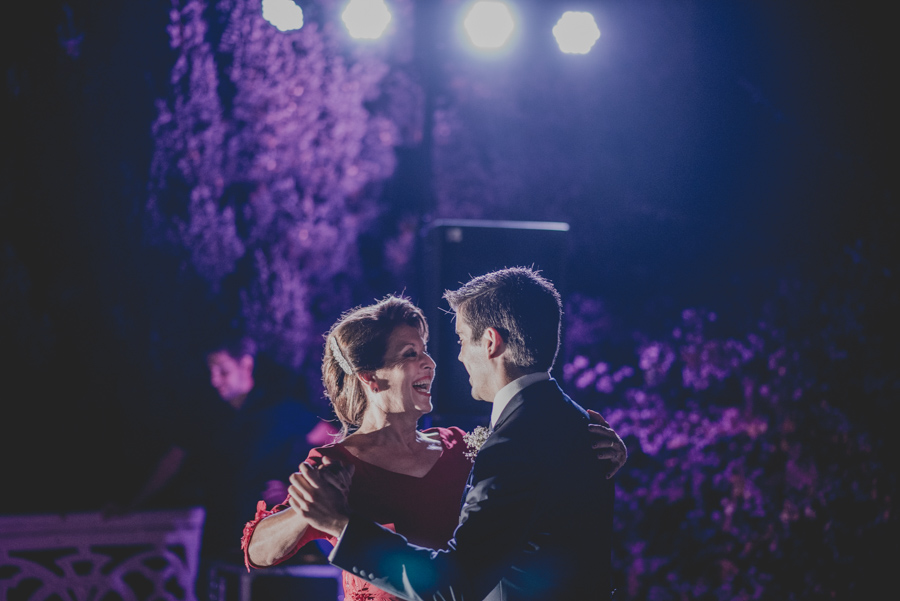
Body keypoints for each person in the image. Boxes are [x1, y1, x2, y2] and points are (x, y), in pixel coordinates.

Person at [242, 288, 625, 601]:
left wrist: (596, 451)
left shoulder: (461, 446)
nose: (432, 362)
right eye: (411, 354)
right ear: (371, 379)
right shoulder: (339, 466)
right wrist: (310, 511)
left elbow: (531, 473)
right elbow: (256, 551)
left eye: (425, 349)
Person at [127, 336, 333, 566]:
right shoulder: (207, 415)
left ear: (246, 365)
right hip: (219, 536)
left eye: (223, 371)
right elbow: (172, 461)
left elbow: (334, 442)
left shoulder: (280, 409)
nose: (215, 381)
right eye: (211, 372)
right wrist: (134, 503)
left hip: (269, 539)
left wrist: (301, 490)